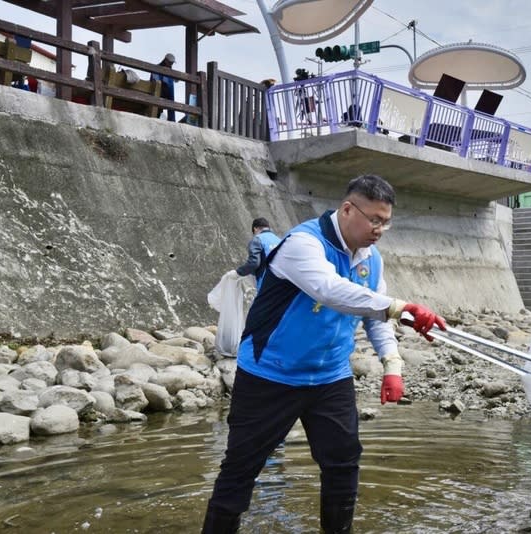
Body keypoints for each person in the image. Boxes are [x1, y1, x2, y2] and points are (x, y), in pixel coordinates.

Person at [201, 174, 447, 534]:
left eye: (386, 221)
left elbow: (373, 315)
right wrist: (399, 307)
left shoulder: (371, 258)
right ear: (348, 209)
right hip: (270, 374)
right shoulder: (303, 244)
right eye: (374, 219)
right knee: (240, 469)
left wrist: (392, 364)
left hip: (330, 377)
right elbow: (329, 290)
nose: (380, 229)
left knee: (343, 464)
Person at [229, 217, 280, 291]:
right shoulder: (279, 240)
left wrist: (238, 272)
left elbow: (254, 262)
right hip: (283, 282)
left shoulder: (258, 239)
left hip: (266, 282)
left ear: (255, 228)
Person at [151, 53, 177, 122]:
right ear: (165, 60)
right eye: (170, 63)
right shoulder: (156, 68)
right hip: (158, 90)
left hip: (167, 93)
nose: (171, 65)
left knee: (171, 101)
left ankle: (172, 120)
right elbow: (155, 81)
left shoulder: (170, 71)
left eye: (172, 63)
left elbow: (176, 80)